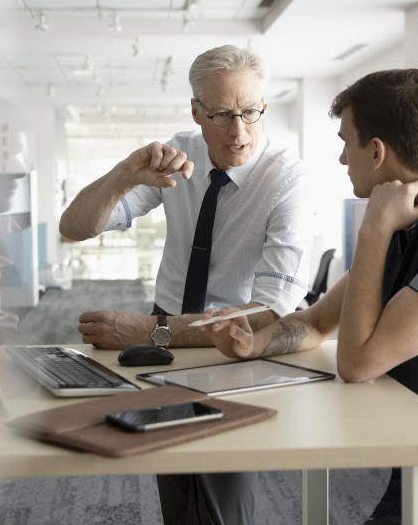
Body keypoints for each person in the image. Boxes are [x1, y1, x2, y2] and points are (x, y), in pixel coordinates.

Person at [204, 69, 418, 525]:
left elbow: (358, 363)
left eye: (345, 141)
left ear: (376, 152)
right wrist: (251, 344)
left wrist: (372, 228)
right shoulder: (409, 221)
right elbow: (315, 322)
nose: (340, 158)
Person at [59, 44, 313, 525]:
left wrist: (151, 332)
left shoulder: (287, 180)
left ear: (265, 107)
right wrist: (122, 175)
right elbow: (74, 227)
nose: (239, 131)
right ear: (196, 111)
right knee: (174, 480)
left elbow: (270, 314)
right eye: (221, 115)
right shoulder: (180, 154)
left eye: (250, 113)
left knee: (222, 501)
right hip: (165, 334)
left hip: (235, 345)